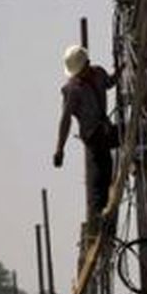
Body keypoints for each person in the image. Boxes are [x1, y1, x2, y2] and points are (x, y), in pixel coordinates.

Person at [52, 45, 119, 221]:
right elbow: (65, 120)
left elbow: (110, 83)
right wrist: (60, 149)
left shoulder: (98, 74)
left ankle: (101, 212)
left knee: (106, 166)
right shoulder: (72, 90)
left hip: (105, 129)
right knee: (102, 170)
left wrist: (121, 71)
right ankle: (98, 215)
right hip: (93, 135)